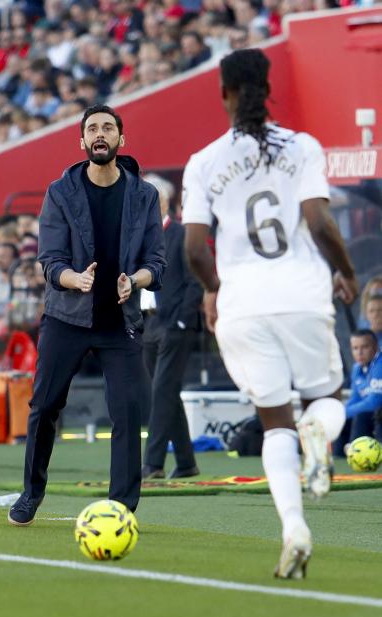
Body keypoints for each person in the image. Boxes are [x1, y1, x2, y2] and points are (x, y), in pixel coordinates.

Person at [182, 49, 358, 579]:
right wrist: (346, 271)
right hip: (301, 294)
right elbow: (319, 221)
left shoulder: (204, 161)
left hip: (242, 305)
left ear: (224, 94)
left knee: (273, 424)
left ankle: (294, 531)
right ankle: (318, 435)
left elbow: (193, 249)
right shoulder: (302, 146)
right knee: (327, 401)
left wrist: (215, 290)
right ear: (267, 86)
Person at [8, 103, 166, 526]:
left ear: (120, 139)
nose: (100, 134)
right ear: (81, 142)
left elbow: (157, 262)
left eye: (107, 128)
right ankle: (31, 493)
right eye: (92, 128)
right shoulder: (60, 192)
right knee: (44, 406)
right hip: (66, 317)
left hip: (121, 321)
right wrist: (72, 279)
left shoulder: (145, 195)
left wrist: (134, 280)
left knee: (128, 414)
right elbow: (49, 259)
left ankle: (120, 510)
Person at [140, 173, 203, 480]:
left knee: (162, 391)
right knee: (165, 392)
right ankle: (187, 462)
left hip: (173, 323)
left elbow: (195, 282)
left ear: (163, 200)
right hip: (147, 323)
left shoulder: (179, 234)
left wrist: (179, 319)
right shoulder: (138, 236)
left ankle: (152, 464)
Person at [338, 329, 382, 448]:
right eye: (355, 348)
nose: (360, 353)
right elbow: (355, 398)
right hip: (371, 415)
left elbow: (374, 402)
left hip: (379, 415)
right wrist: (340, 413)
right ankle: (338, 456)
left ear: (375, 347)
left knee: (360, 416)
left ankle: (357, 452)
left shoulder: (380, 364)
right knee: (340, 421)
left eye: (365, 347)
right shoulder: (357, 368)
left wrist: (344, 413)